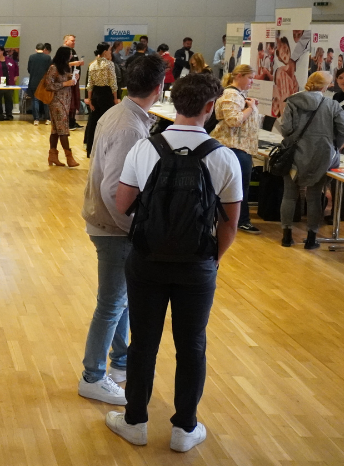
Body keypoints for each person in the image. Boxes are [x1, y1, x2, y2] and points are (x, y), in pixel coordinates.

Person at [108, 72, 242, 453]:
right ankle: (185, 428)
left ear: (172, 100)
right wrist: (211, 260)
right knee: (192, 344)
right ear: (209, 107)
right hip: (197, 266)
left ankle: (135, 421)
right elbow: (229, 222)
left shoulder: (145, 148)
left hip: (147, 260)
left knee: (143, 342)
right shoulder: (223, 157)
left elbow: (123, 204)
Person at [79, 54, 165, 405]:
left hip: (109, 224)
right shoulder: (128, 125)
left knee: (122, 300)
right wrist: (136, 230)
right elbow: (114, 190)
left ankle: (120, 363)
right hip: (114, 228)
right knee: (112, 303)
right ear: (159, 88)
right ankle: (92, 376)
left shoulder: (120, 113)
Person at [279, 71, 344, 248]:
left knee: (289, 196)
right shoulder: (332, 105)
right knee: (314, 197)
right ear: (324, 86)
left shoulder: (292, 101)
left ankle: (286, 236)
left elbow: (285, 129)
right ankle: (311, 239)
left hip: (294, 156)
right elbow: (342, 131)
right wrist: (333, 146)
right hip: (321, 157)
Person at [210, 64, 261, 234]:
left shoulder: (238, 94)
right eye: (250, 78)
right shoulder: (231, 94)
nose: (252, 82)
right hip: (233, 147)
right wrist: (250, 108)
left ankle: (237, 218)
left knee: (239, 186)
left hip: (240, 147)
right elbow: (234, 121)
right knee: (239, 186)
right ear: (238, 76)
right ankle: (241, 219)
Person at [44, 46, 79, 168]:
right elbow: (48, 85)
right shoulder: (53, 68)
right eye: (69, 54)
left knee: (55, 130)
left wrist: (73, 79)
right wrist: (66, 83)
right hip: (57, 102)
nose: (71, 56)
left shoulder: (65, 67)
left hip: (65, 101)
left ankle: (52, 155)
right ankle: (69, 157)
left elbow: (65, 80)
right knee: (63, 129)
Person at [84, 42, 119, 155]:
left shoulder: (92, 65)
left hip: (95, 94)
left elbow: (90, 84)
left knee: (94, 122)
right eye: (109, 50)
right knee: (107, 122)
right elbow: (113, 83)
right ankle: (105, 150)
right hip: (106, 94)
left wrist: (89, 99)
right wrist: (115, 98)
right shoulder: (109, 64)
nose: (110, 52)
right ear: (105, 52)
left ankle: (90, 149)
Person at [62, 34, 85, 131]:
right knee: (69, 102)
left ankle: (72, 121)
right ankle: (66, 123)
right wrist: (74, 63)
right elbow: (60, 65)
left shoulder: (73, 51)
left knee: (74, 101)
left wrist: (78, 68)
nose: (74, 42)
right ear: (66, 41)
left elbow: (75, 65)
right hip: (67, 81)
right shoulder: (62, 51)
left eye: (74, 40)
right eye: (72, 40)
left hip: (74, 80)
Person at [272, 35, 299, 118]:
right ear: (280, 59)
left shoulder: (296, 82)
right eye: (281, 53)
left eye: (284, 48)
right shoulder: (279, 73)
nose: (284, 52)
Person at [28, 42, 53, 125]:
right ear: (44, 49)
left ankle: (36, 119)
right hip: (44, 82)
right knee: (45, 100)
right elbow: (50, 70)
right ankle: (47, 119)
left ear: (36, 49)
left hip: (33, 81)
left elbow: (29, 69)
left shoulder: (31, 57)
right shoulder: (48, 58)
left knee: (35, 100)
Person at [0, 46, 19, 120]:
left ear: (2, 51)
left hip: (9, 83)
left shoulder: (10, 60)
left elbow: (16, 68)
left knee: (9, 99)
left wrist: (16, 76)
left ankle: (9, 114)